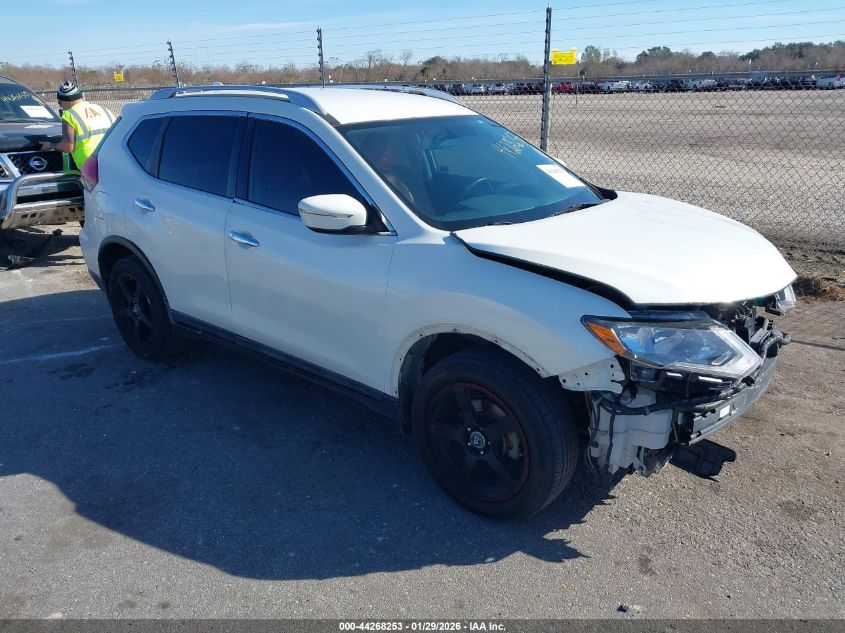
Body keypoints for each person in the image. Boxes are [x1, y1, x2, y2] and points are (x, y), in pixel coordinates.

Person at [40, 81, 115, 173]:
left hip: (90, 165)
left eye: (60, 102)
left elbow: (68, 146)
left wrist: (50, 146)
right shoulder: (104, 110)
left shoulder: (69, 115)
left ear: (68, 100)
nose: (59, 105)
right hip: (112, 160)